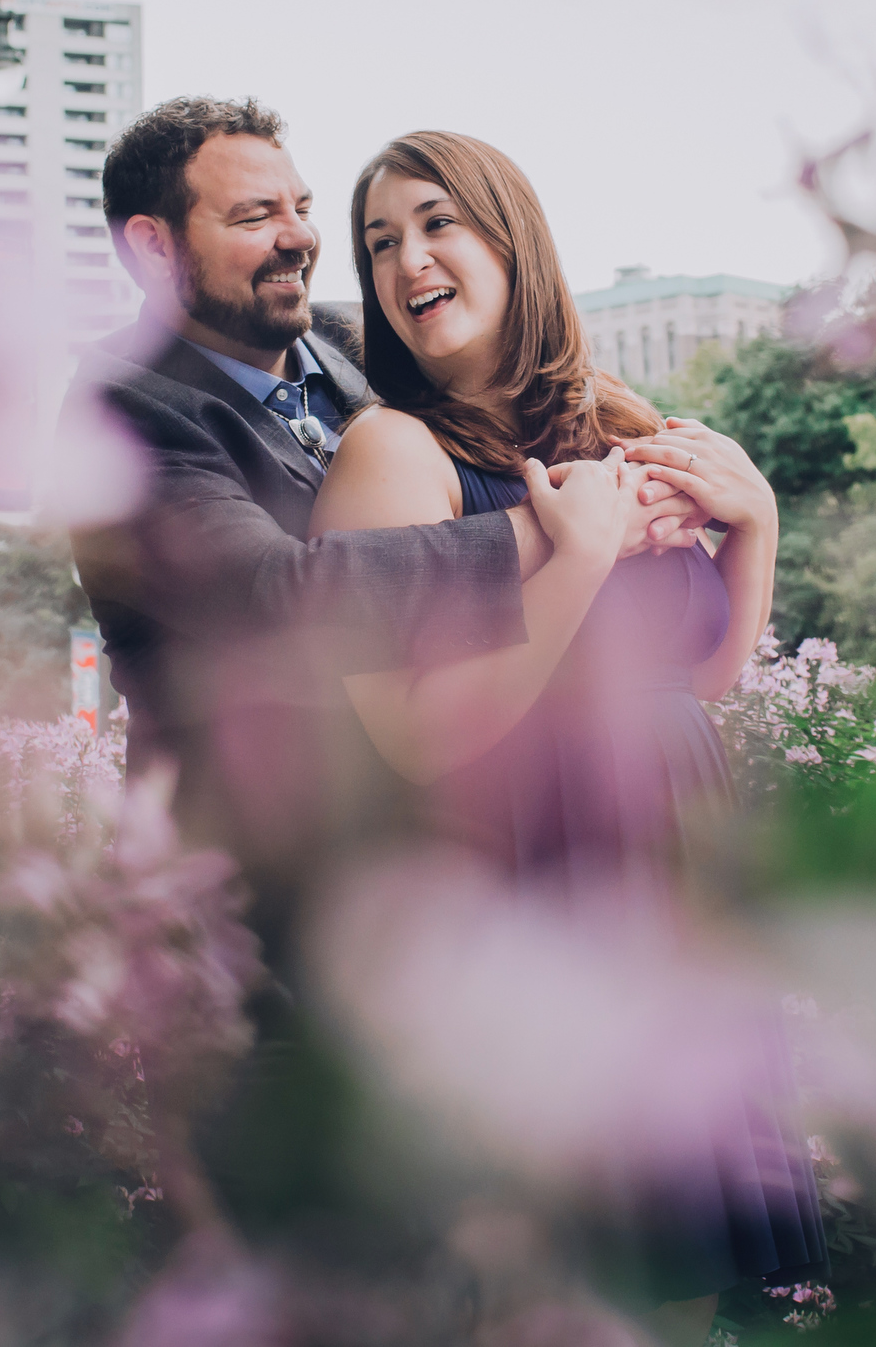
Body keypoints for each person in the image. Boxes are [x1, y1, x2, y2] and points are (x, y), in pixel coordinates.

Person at [311, 129, 826, 1340]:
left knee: (676, 1287)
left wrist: (753, 530)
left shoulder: (618, 421)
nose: (407, 259)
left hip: (676, 888)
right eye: (380, 241)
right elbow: (422, 742)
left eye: (437, 222)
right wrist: (581, 552)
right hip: (536, 892)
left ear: (511, 238)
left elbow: (693, 680)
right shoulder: (394, 452)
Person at [62, 97, 701, 894]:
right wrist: (561, 527)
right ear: (154, 248)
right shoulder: (117, 423)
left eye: (301, 207)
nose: (299, 237)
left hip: (444, 864)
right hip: (255, 888)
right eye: (257, 216)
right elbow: (284, 596)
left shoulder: (356, 340)